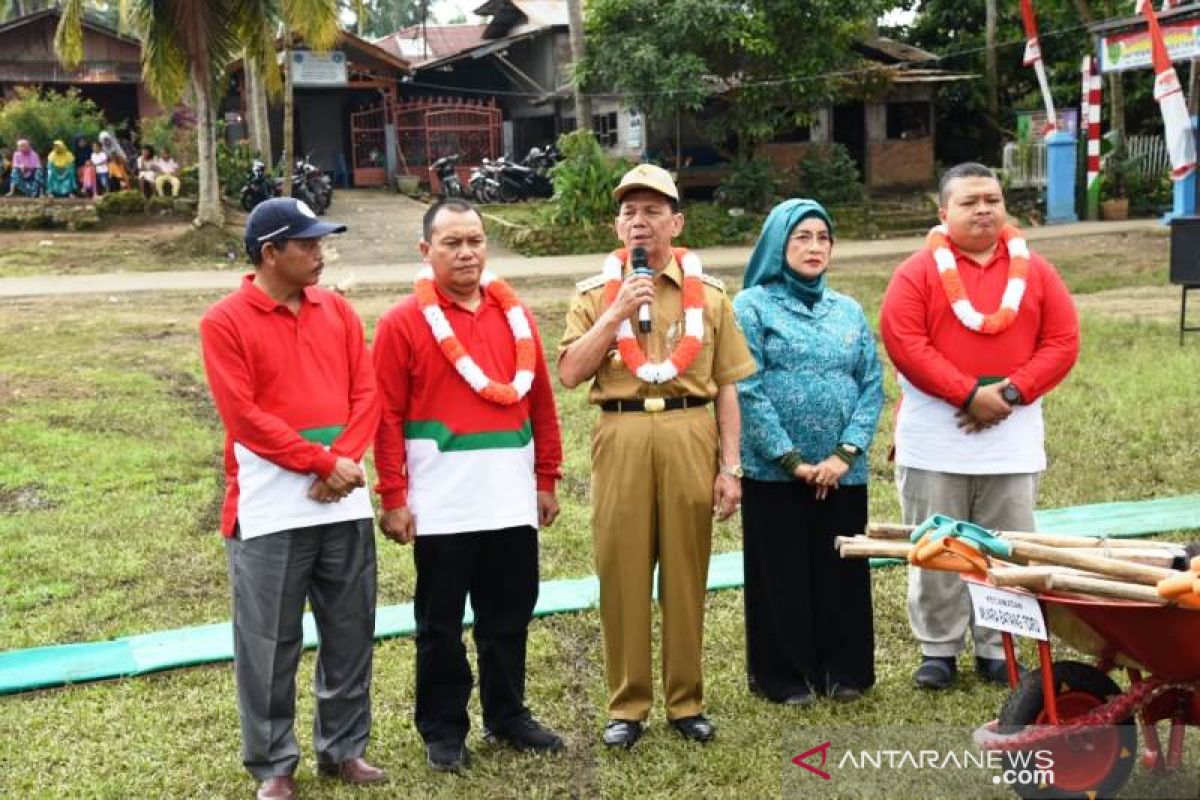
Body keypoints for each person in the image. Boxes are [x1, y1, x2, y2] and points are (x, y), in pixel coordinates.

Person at [558, 164, 757, 748]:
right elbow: (570, 372)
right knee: (620, 571)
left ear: (677, 221)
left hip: (689, 431)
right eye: (629, 211)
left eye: (652, 210)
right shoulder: (594, 295)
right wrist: (618, 311)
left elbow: (726, 385)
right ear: (618, 225)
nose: (639, 221)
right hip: (619, 434)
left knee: (687, 569)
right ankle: (628, 704)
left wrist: (731, 467)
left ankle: (685, 700)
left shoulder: (712, 297)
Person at [199, 197, 387, 800]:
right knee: (267, 642)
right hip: (270, 511)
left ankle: (344, 749)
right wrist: (322, 462)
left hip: (344, 503)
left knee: (351, 630)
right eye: (306, 244)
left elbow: (368, 393)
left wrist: (344, 460)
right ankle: (273, 763)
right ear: (269, 253)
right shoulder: (224, 322)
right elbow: (244, 417)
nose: (319, 253)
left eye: (321, 242)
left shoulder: (337, 310)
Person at [374, 198, 565, 773]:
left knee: (509, 615)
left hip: (509, 498)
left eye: (475, 241)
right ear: (425, 250)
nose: (466, 253)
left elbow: (542, 405)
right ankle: (443, 730)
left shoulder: (517, 317)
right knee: (440, 625)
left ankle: (507, 715)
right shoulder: (402, 323)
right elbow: (385, 416)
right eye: (452, 242)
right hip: (442, 504)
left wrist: (547, 477)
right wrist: (393, 497)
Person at [879, 163, 1080, 690]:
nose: (984, 209)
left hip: (1011, 432)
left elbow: (1062, 341)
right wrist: (967, 394)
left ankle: (998, 645)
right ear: (943, 213)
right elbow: (904, 340)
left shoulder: (1036, 271)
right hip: (935, 431)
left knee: (1005, 543)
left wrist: (1007, 394)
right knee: (937, 542)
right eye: (970, 202)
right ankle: (938, 649)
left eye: (992, 199)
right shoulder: (917, 272)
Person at [733, 198, 884, 706]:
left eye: (823, 238)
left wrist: (845, 454)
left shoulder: (849, 310)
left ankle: (844, 671)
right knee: (782, 572)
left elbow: (872, 382)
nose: (815, 247)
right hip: (775, 471)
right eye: (803, 237)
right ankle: (784, 676)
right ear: (779, 244)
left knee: (840, 568)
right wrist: (791, 459)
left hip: (844, 469)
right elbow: (745, 387)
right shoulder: (751, 306)